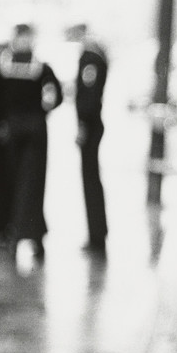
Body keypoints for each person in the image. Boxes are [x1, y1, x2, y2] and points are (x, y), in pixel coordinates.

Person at [0, 22, 63, 274]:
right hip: (34, 131)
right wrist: (42, 111)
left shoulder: (3, 67)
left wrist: (3, 122)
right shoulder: (41, 67)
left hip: (13, 131)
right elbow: (56, 96)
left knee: (14, 183)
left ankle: (15, 232)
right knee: (33, 183)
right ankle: (33, 234)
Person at [73, 25, 108, 254]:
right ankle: (97, 231)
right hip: (93, 125)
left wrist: (82, 125)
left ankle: (97, 234)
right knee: (92, 179)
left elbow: (88, 97)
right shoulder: (96, 54)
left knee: (90, 180)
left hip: (91, 126)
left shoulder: (90, 57)